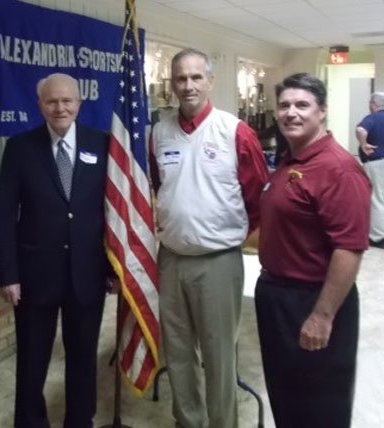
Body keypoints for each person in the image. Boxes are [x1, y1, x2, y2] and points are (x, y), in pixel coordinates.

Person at [151, 48, 269, 428]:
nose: (188, 86)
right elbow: (158, 187)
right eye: (180, 79)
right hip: (170, 260)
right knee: (178, 353)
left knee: (219, 356)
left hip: (218, 264)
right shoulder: (159, 132)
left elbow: (257, 199)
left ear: (210, 81)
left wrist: (221, 233)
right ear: (172, 84)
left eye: (196, 77)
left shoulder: (235, 131)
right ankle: (188, 421)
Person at [0, 73, 117, 427]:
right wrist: (9, 275)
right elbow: (5, 216)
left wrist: (112, 269)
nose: (60, 107)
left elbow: (113, 213)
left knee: (82, 359)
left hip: (88, 274)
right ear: (40, 106)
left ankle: (80, 420)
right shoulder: (20, 147)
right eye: (52, 101)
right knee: (33, 361)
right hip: (35, 278)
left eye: (67, 101)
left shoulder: (103, 144)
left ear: (79, 104)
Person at [256, 73, 371, 427]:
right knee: (287, 397)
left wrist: (322, 316)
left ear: (322, 112)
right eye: (285, 105)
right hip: (278, 295)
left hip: (312, 299)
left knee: (320, 405)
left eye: (302, 105)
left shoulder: (338, 169)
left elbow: (349, 248)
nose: (291, 113)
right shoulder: (291, 159)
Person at [356, 91, 384, 248]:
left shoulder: (372, 118)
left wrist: (363, 144)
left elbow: (361, 130)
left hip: (377, 163)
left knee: (377, 198)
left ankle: (378, 237)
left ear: (374, 104)